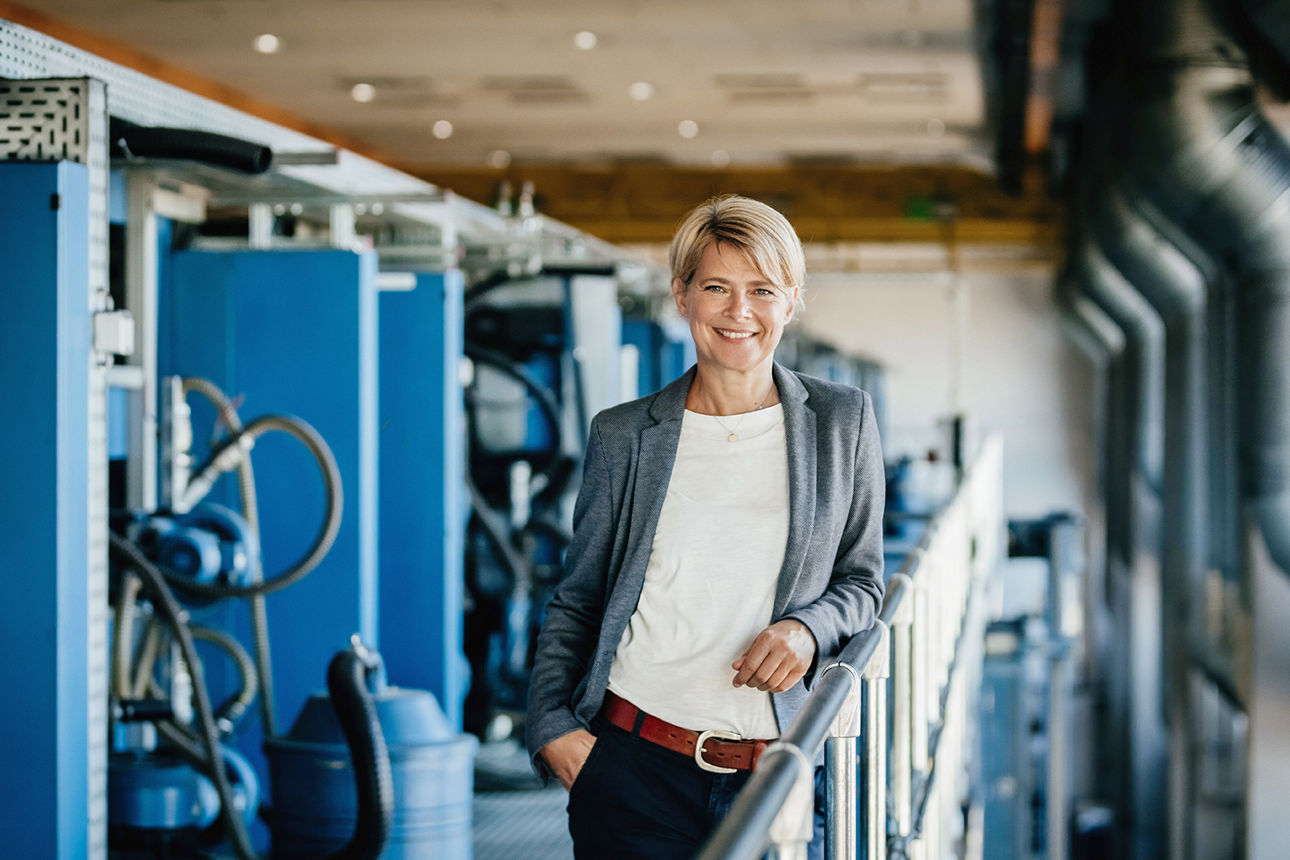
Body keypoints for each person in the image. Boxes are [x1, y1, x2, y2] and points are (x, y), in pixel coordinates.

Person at [526, 194, 886, 859]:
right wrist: (551, 727)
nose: (738, 311)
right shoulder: (625, 435)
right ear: (682, 296)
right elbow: (577, 597)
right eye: (716, 287)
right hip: (634, 768)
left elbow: (863, 581)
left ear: (792, 300)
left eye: (762, 290)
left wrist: (808, 630)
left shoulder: (842, 421)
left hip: (776, 775)